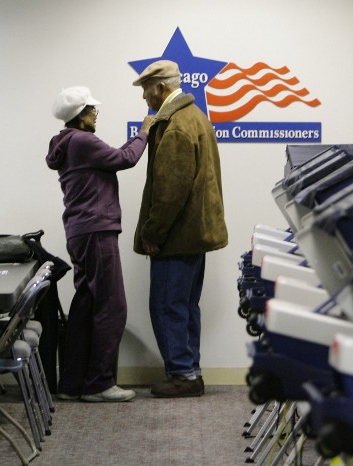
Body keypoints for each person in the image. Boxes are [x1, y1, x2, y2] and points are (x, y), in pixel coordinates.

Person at [46, 86, 155, 402]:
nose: (96, 114)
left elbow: (113, 157)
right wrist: (144, 131)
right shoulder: (83, 140)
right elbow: (126, 158)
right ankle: (98, 384)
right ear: (80, 116)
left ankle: (72, 383)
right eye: (92, 110)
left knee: (86, 305)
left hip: (80, 232)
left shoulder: (69, 143)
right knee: (112, 306)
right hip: (97, 231)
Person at [131, 60, 228, 398]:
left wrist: (152, 234)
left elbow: (170, 192)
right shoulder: (196, 117)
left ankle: (183, 376)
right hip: (194, 234)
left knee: (166, 305)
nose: (144, 98)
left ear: (160, 87)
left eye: (145, 89)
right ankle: (191, 370)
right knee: (186, 306)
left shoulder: (174, 126)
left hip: (176, 237)